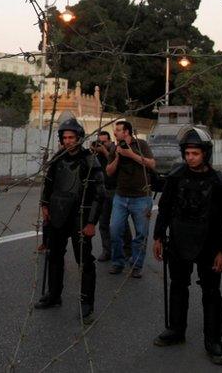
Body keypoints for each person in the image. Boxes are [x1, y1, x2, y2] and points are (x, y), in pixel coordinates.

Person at [152, 126, 222, 365]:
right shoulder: (176, 176)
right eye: (188, 153)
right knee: (178, 286)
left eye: (195, 153)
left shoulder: (219, 183)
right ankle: (176, 330)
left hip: (209, 246)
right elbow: (165, 208)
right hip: (178, 241)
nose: (191, 157)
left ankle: (213, 340)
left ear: (205, 153)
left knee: (211, 294)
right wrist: (158, 237)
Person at [36, 117, 103, 324]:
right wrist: (45, 205)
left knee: (84, 260)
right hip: (57, 213)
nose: (67, 141)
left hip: (79, 217)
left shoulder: (89, 160)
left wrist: (91, 222)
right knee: (54, 255)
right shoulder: (57, 158)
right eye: (64, 137)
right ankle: (54, 295)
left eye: (71, 137)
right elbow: (48, 184)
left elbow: (99, 194)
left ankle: (86, 303)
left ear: (79, 138)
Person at [106, 119, 156, 278]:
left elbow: (152, 164)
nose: (115, 132)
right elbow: (109, 171)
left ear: (126, 132)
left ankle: (136, 264)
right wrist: (118, 158)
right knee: (114, 230)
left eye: (118, 130)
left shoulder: (141, 144)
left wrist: (131, 154)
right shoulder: (115, 148)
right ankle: (118, 262)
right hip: (120, 196)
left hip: (141, 197)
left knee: (141, 233)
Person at [93, 131, 133, 262]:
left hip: (116, 190)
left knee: (121, 223)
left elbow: (112, 169)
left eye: (104, 142)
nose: (101, 144)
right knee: (103, 223)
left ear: (110, 141)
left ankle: (128, 250)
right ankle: (107, 250)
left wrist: (105, 150)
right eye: (99, 142)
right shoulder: (96, 155)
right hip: (102, 191)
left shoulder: (117, 151)